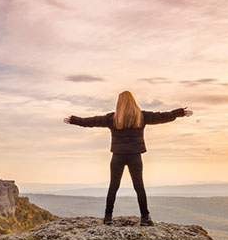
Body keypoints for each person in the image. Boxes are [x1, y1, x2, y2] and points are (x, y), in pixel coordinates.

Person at [63, 90, 193, 226]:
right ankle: (145, 218)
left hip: (117, 157)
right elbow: (162, 116)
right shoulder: (141, 116)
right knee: (139, 187)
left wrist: (74, 120)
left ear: (119, 103)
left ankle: (107, 218)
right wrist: (179, 112)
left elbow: (92, 121)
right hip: (135, 156)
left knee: (113, 186)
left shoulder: (112, 118)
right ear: (133, 102)